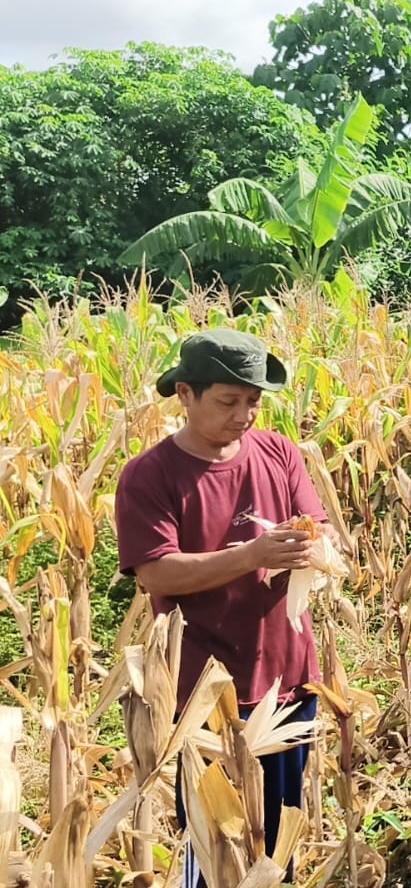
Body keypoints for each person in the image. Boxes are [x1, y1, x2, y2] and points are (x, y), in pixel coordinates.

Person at [114, 328, 330, 887]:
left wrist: (318, 548)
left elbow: (320, 528)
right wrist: (253, 554)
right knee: (216, 848)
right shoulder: (150, 475)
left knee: (277, 840)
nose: (244, 416)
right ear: (185, 394)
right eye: (228, 401)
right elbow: (156, 572)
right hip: (205, 693)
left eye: (253, 401)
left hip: (287, 681)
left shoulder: (279, 452)